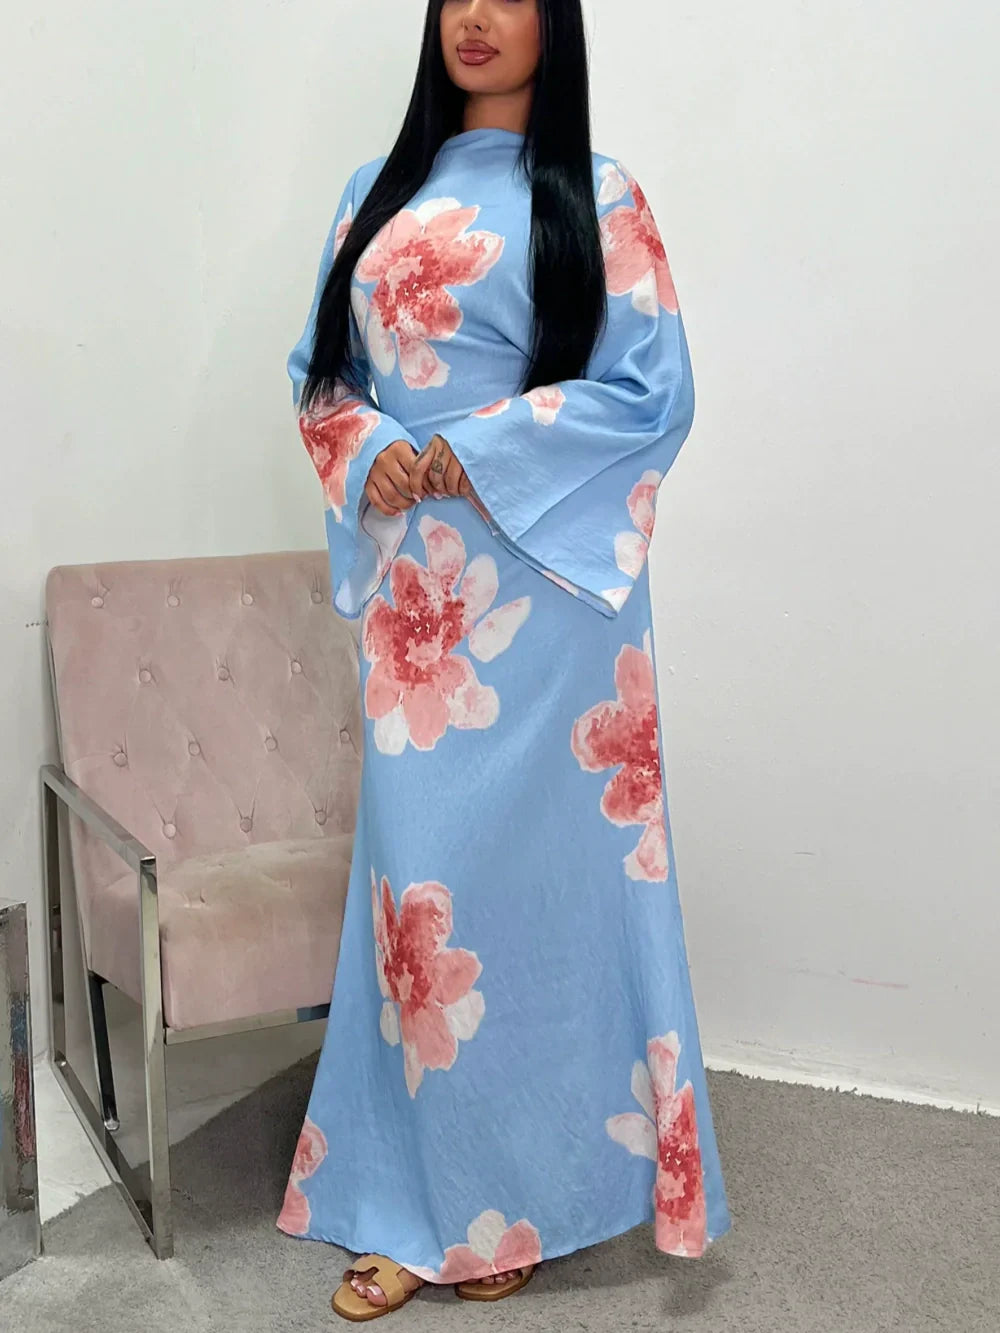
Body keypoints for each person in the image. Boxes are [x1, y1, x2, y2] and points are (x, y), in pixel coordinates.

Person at [278, 0, 732, 1319]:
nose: (475, 15)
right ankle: (420, 1198)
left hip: (553, 599)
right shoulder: (374, 194)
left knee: (537, 902)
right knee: (423, 895)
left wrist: (472, 448)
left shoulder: (600, 194)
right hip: (421, 602)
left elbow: (652, 391)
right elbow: (320, 374)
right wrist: (377, 451)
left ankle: (519, 1194)